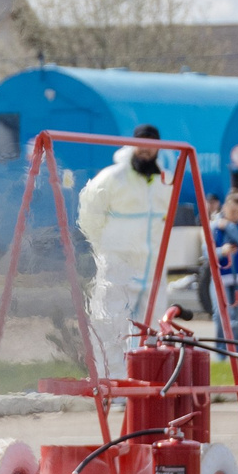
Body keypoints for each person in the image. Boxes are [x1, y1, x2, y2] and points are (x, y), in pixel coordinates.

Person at [75, 127, 173, 369]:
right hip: (117, 264)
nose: (146, 149)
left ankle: (144, 383)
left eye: (151, 144)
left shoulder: (165, 180)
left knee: (152, 327)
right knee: (111, 325)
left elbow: (165, 220)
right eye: (141, 143)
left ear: (158, 147)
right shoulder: (112, 177)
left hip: (152, 267)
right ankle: (110, 385)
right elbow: (89, 213)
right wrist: (102, 248)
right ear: (131, 144)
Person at [209, 191, 238, 343]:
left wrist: (229, 226)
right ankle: (222, 353)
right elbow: (207, 252)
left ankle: (237, 353)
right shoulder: (214, 226)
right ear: (224, 208)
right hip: (221, 277)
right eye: (232, 211)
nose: (236, 215)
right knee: (222, 316)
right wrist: (222, 251)